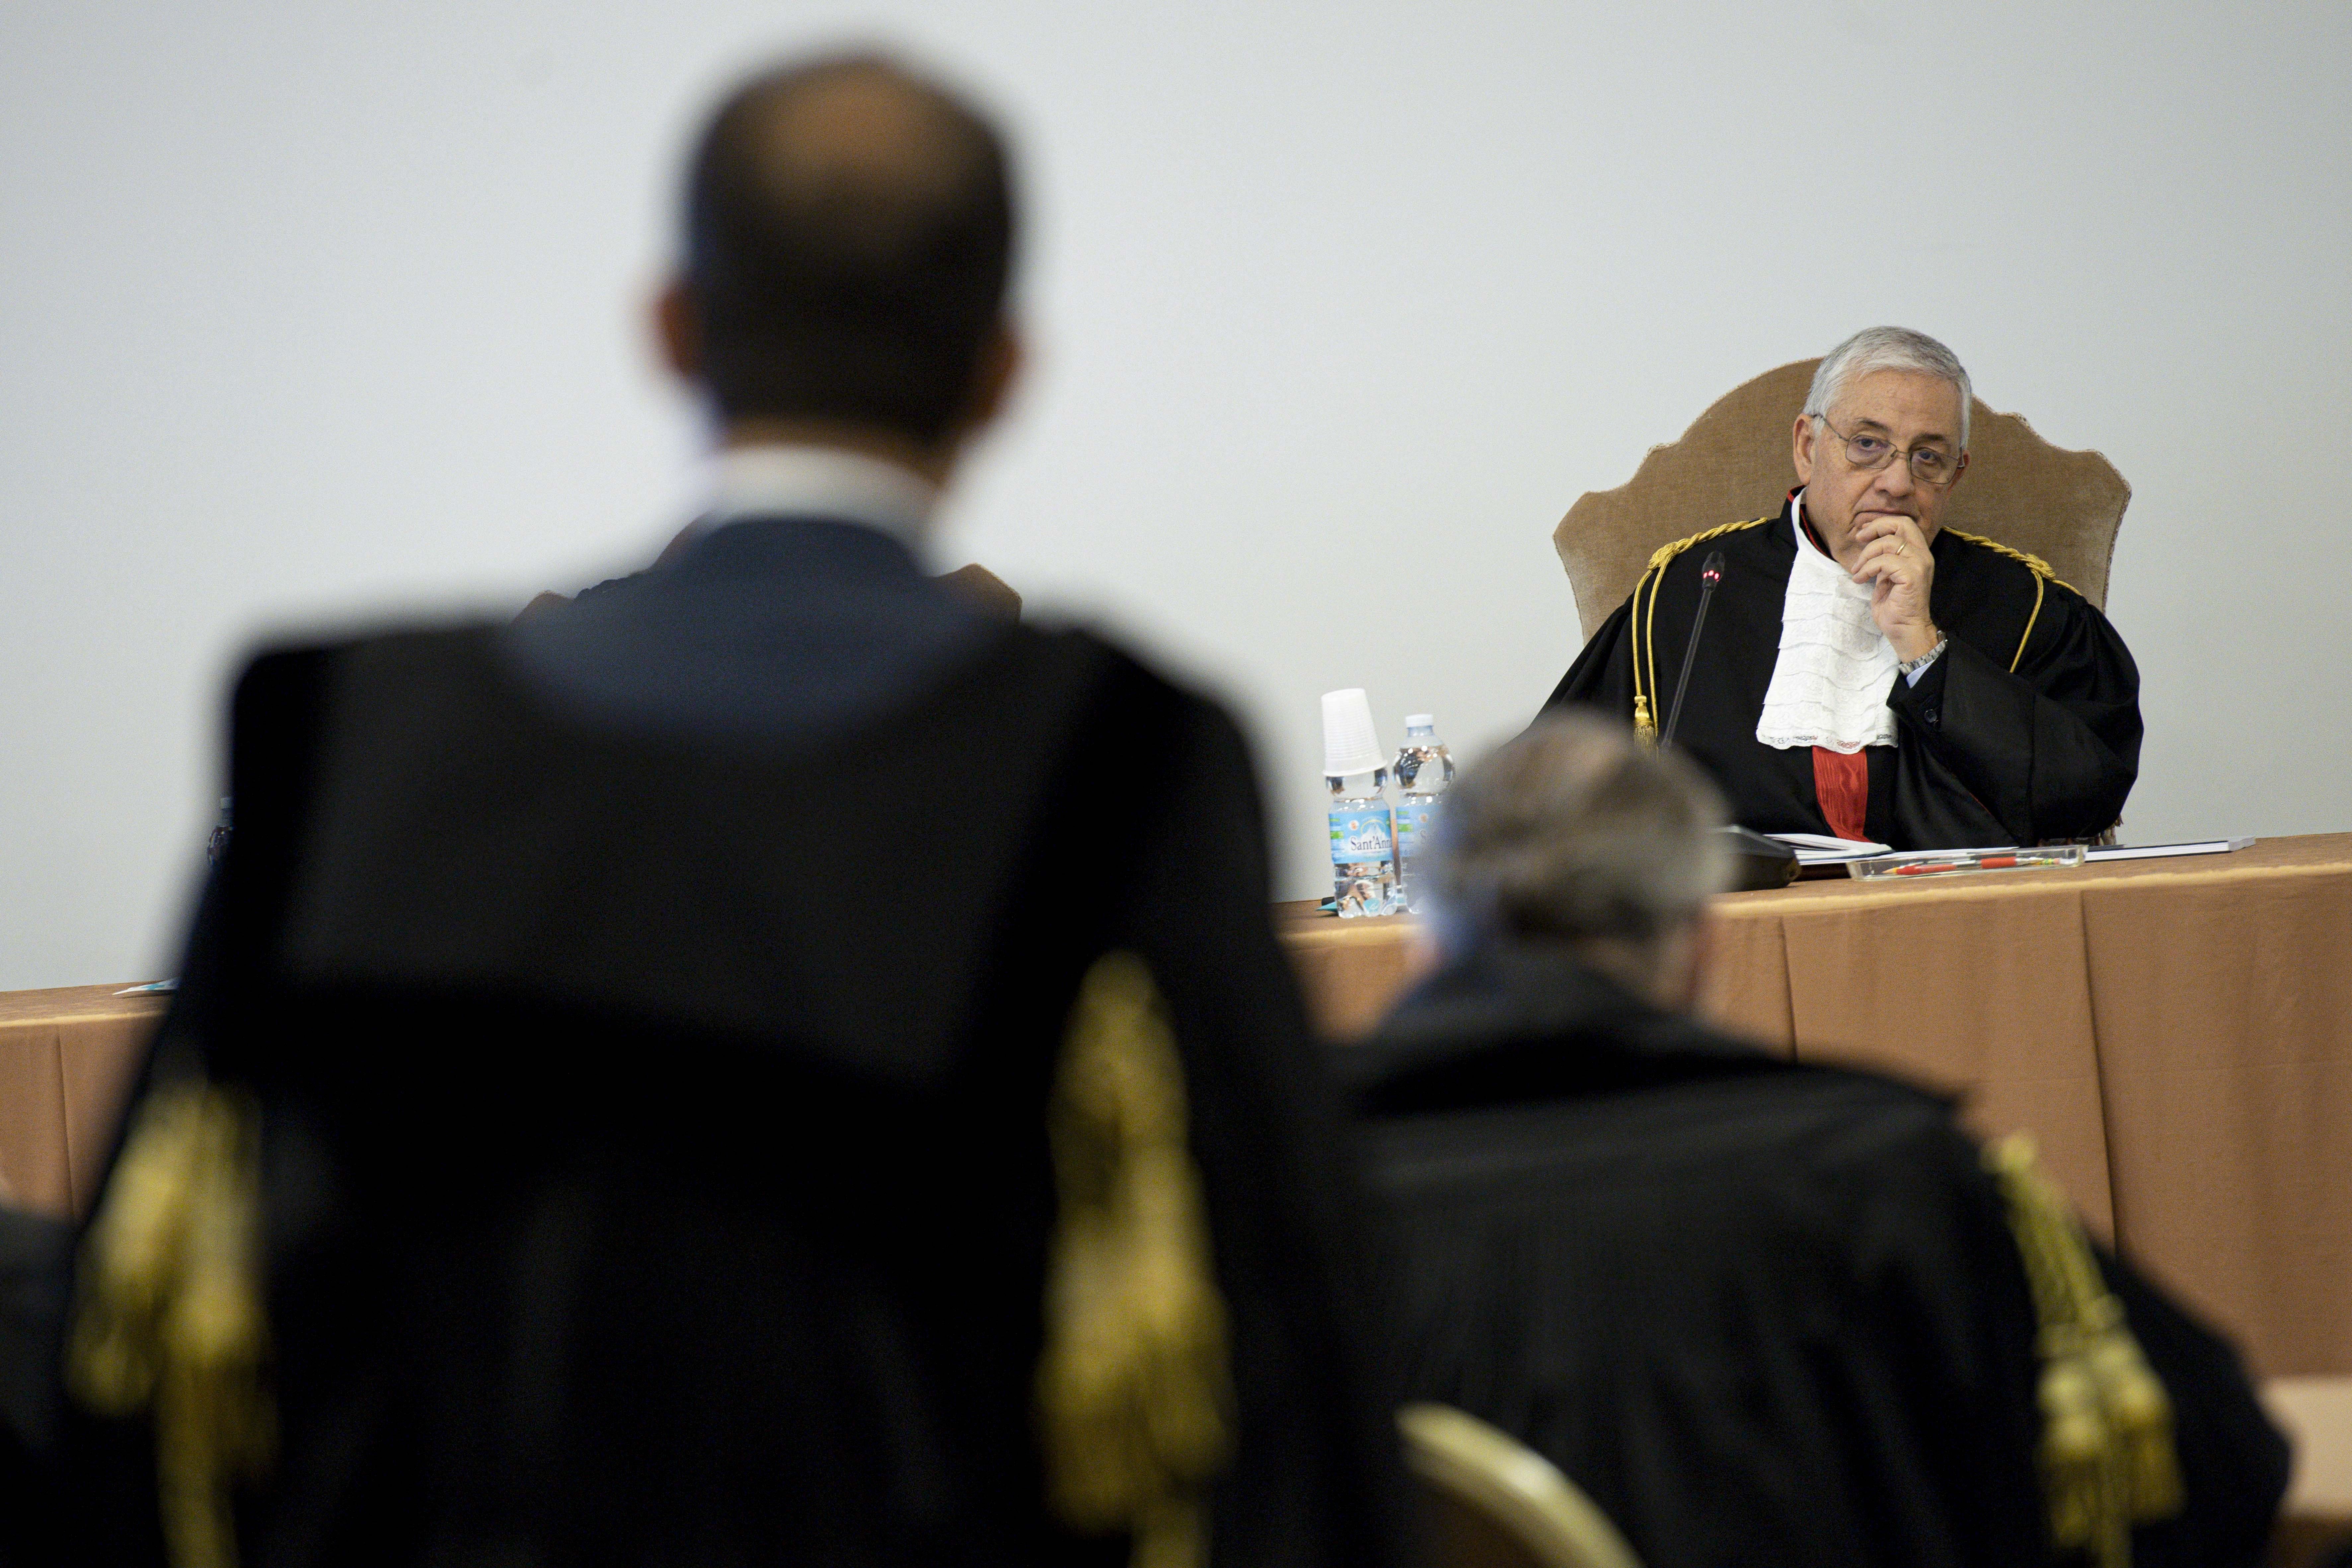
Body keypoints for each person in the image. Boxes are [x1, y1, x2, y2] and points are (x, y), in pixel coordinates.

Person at [50, 54, 1407, 1568]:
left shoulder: (346, 745)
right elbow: (1277, 1368)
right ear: (1003, 370)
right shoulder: (1110, 765)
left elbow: (145, 1357)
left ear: (673, 329)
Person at [1342, 712, 2287, 1568]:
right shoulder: (1890, 1176)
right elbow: (2213, 1470)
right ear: (1699, 946)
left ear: (1423, 944)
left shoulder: (1274, 1204)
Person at [1544, 327, 2141, 849]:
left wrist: (1924, 649)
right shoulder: (1693, 592)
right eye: (1867, 445)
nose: (1897, 482)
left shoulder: (2028, 607)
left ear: (1956, 475)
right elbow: (1555, 786)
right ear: (1808, 448)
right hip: (1730, 937)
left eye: (1928, 457)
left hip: (1958, 926)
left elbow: (2087, 795)